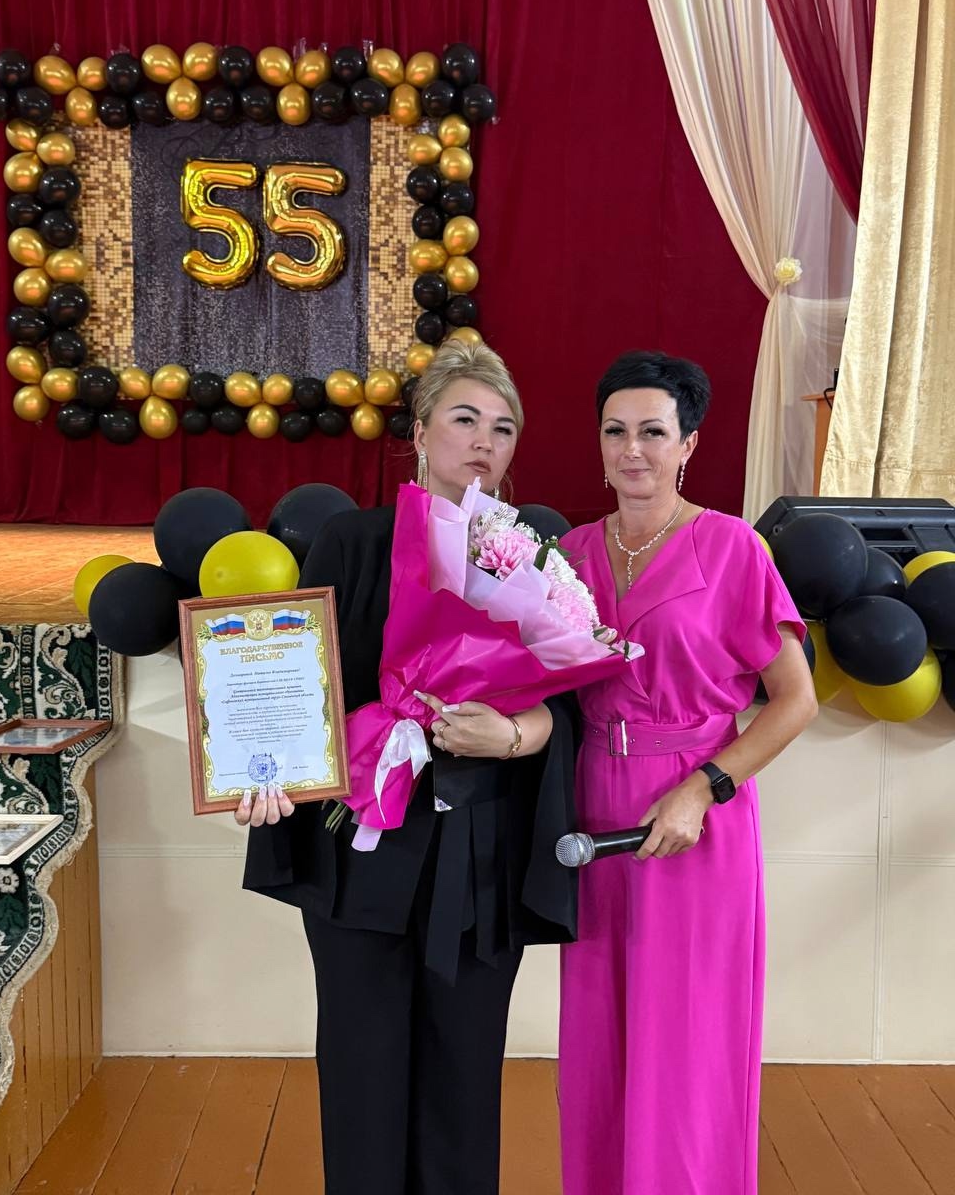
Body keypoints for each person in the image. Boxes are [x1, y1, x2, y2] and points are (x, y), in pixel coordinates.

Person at [239, 339, 577, 1195]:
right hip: (363, 849)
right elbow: (298, 685)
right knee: (362, 1077)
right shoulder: (352, 542)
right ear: (420, 433)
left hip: (481, 855)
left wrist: (509, 735)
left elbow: (566, 708)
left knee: (466, 1080)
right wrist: (262, 769)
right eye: (465, 419)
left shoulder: (533, 557)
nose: (484, 441)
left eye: (503, 428)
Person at [558, 351, 817, 1195]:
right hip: (594, 813)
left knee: (689, 1037)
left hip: (696, 814)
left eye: (653, 432)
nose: (632, 449)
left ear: (689, 444)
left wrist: (704, 789)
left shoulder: (732, 547)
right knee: (600, 1033)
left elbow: (795, 701)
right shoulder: (569, 554)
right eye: (616, 431)